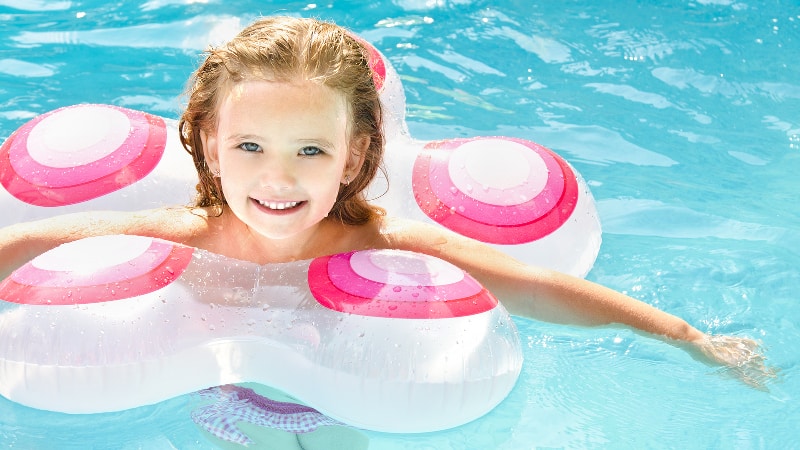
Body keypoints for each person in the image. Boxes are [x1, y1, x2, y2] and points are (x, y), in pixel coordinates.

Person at [0, 16, 774, 388]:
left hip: (356, 392)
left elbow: (535, 286)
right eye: (250, 148)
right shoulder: (179, 234)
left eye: (310, 151)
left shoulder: (379, 245)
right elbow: (39, 243)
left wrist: (688, 337)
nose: (279, 180)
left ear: (357, 156)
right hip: (219, 395)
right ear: (204, 143)